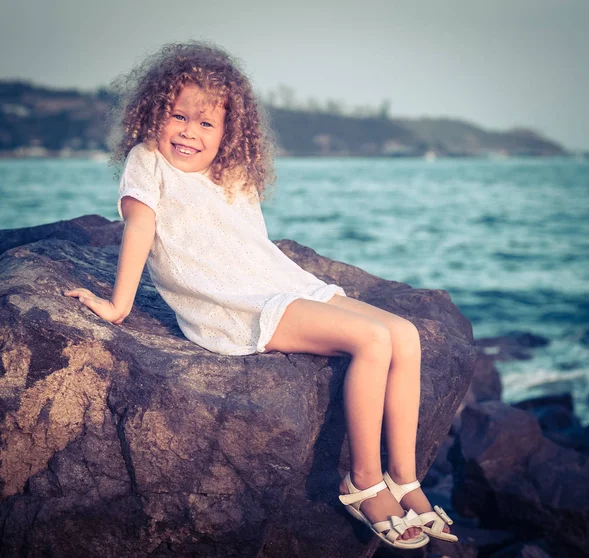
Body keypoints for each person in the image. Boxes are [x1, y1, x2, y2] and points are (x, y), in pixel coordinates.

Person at [63, 40, 456, 550]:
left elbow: (249, 246)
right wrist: (119, 305)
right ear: (154, 114)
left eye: (206, 123)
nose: (188, 132)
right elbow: (138, 228)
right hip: (231, 306)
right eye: (178, 116)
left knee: (403, 334)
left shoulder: (232, 173)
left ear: (228, 130)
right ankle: (363, 481)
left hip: (276, 284)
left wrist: (300, 291)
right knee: (372, 341)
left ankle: (405, 480)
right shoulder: (148, 161)